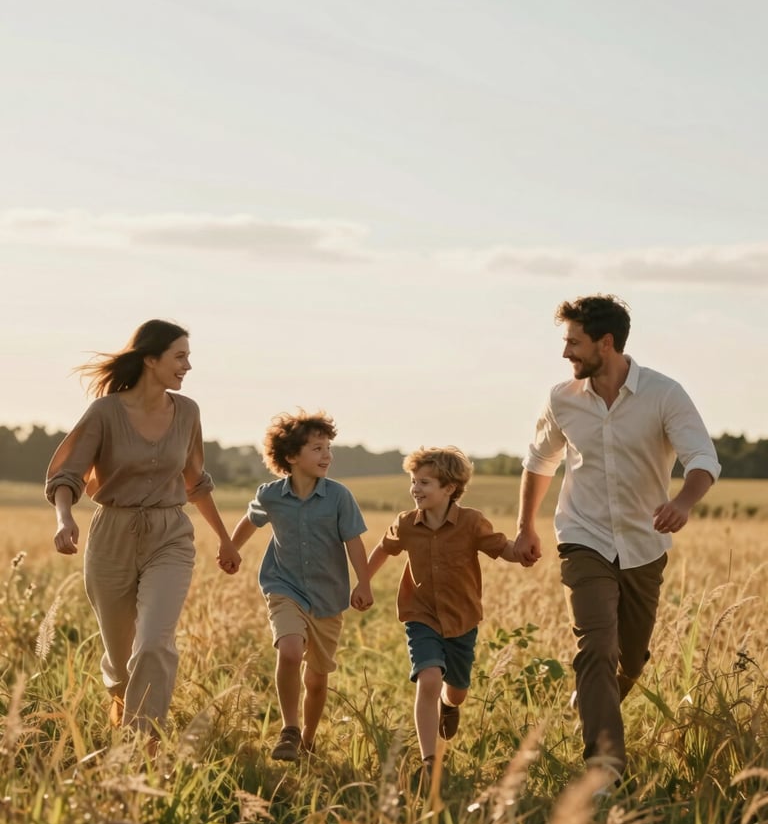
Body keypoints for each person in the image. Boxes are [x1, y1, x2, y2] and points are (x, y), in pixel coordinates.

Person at [513, 295, 720, 779]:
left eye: (574, 342)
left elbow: (702, 459)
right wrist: (525, 525)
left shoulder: (665, 394)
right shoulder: (561, 397)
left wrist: (682, 503)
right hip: (582, 535)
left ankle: (592, 691)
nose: (566, 353)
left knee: (630, 656)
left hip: (644, 543)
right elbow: (539, 461)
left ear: (605, 343)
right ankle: (605, 767)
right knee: (596, 648)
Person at [45, 319, 241, 739]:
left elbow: (195, 481)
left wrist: (225, 539)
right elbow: (67, 476)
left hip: (170, 534)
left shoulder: (187, 412)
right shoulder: (106, 412)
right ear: (151, 360)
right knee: (120, 661)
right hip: (111, 536)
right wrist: (65, 520)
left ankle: (142, 746)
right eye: (180, 356)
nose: (188, 366)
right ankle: (121, 704)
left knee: (153, 643)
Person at [358, 446, 523, 777]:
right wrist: (363, 583)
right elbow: (383, 549)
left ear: (449, 488)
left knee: (456, 691)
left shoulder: (472, 522)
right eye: (414, 481)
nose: (415, 489)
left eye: (425, 483)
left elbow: (502, 547)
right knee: (429, 678)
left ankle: (449, 706)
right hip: (421, 616)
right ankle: (430, 762)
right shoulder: (405, 524)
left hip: (462, 619)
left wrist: (522, 552)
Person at [230, 410, 374, 762]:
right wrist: (231, 549)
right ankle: (289, 729)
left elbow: (354, 543)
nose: (327, 455)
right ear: (291, 457)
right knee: (291, 651)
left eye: (328, 448)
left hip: (328, 597)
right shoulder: (271, 495)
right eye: (317, 448)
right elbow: (251, 521)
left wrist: (364, 582)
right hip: (284, 587)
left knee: (318, 679)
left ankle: (308, 739)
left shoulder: (339, 497)